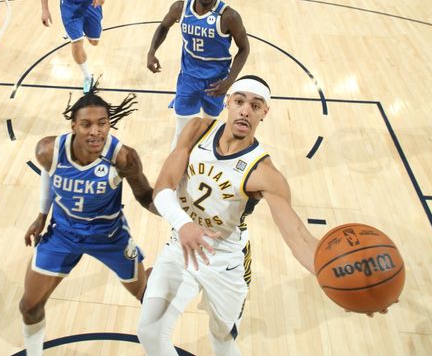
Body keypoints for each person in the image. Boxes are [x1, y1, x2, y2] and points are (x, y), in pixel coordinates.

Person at [137, 76, 391, 355]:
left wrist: (346, 281)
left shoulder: (265, 174)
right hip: (182, 246)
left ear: (264, 113)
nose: (246, 110)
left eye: (255, 106)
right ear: (228, 103)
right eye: (239, 101)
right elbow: (162, 189)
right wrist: (184, 225)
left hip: (225, 260)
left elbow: (297, 236)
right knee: (150, 332)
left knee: (222, 340)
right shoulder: (197, 130)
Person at [18, 85, 156, 356]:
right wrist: (41, 216)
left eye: (102, 124)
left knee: (146, 296)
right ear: (73, 126)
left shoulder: (123, 157)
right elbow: (49, 172)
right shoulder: (48, 150)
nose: (95, 131)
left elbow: (145, 196)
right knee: (29, 306)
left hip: (109, 236)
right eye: (87, 124)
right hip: (63, 234)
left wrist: (183, 217)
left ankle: (157, 273)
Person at [146, 0, 250, 149]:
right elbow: (163, 26)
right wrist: (151, 51)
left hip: (215, 83)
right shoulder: (180, 8)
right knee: (181, 131)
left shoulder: (228, 16)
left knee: (208, 130)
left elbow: (244, 49)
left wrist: (229, 81)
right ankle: (178, 172)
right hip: (188, 78)